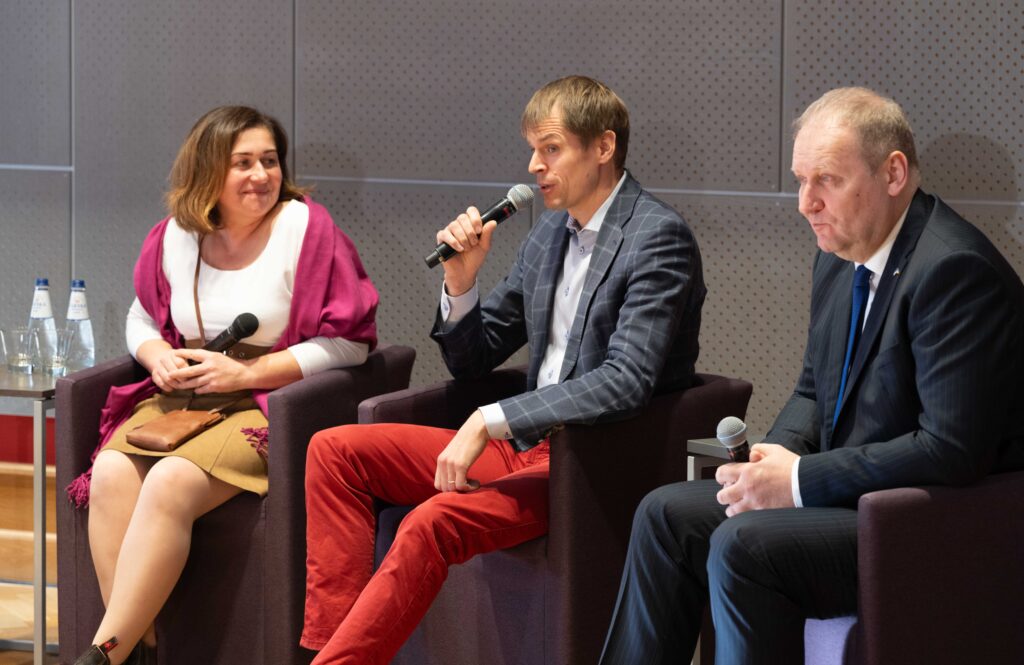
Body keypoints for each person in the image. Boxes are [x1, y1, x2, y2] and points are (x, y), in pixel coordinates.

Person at [600, 86, 1024, 664]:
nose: (806, 203)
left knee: (744, 545)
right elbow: (812, 389)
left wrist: (798, 481)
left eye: (826, 180)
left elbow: (950, 450)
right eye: (801, 180)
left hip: (927, 523)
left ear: (893, 173)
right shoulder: (838, 255)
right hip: (853, 496)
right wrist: (769, 465)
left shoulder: (954, 271)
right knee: (665, 515)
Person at [301, 75, 706, 664]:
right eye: (533, 149)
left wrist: (490, 420)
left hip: (587, 460)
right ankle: (333, 650)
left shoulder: (657, 237)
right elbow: (474, 359)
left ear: (603, 146)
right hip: (523, 445)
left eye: (551, 148)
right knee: (334, 452)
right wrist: (460, 282)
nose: (535, 166)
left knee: (432, 520)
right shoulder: (549, 235)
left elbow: (625, 380)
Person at [72, 106, 379, 665]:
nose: (262, 175)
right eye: (244, 163)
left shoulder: (306, 229)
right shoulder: (176, 235)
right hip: (184, 396)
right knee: (112, 472)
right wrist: (158, 356)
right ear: (208, 170)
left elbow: (351, 343)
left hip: (267, 401)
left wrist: (250, 373)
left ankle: (103, 656)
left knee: (170, 480)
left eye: (270, 161)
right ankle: (136, 652)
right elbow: (141, 317)